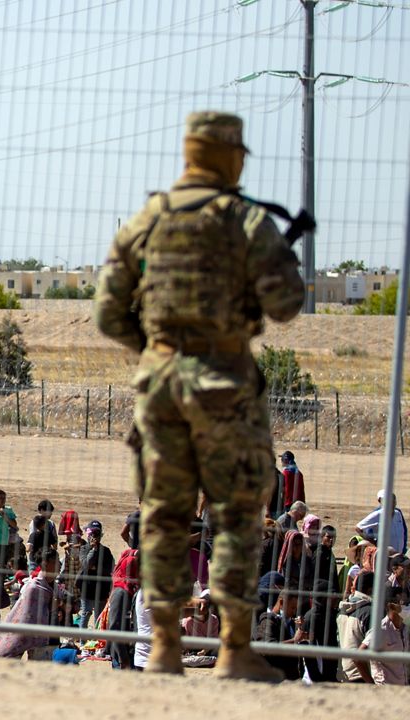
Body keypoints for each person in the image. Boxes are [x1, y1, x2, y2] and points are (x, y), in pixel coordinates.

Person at [93, 111, 305, 680]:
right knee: (236, 513)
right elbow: (286, 301)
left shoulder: (148, 218)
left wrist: (158, 348)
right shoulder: (243, 219)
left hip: (159, 388)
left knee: (163, 514)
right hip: (224, 385)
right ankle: (234, 650)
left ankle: (162, 646)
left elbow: (108, 311)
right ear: (229, 157)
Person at [0, 548, 63, 658]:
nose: (59, 564)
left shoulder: (54, 586)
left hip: (51, 636)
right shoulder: (33, 587)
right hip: (34, 637)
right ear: (45, 564)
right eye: (56, 561)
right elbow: (25, 615)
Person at [356, 587, 409, 685]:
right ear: (391, 606)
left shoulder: (405, 629)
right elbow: (357, 657)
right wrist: (372, 685)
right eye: (403, 603)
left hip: (402, 690)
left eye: (407, 603)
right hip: (385, 691)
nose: (406, 607)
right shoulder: (381, 630)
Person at [77, 521, 115, 629]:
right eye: (92, 534)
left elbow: (109, 569)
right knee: (85, 613)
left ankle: (97, 641)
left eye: (97, 534)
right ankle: (82, 641)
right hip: (86, 588)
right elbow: (86, 565)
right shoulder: (84, 549)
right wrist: (93, 550)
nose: (94, 537)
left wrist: (95, 568)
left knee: (99, 617)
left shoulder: (106, 551)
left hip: (101, 589)